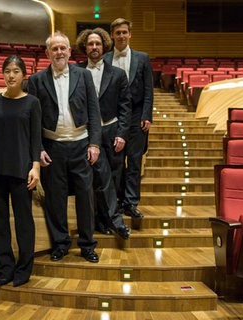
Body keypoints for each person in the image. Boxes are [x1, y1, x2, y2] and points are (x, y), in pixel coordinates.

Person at [27, 31, 102, 263]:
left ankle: (87, 245)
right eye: (54, 48)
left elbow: (94, 111)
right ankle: (60, 243)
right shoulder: (37, 80)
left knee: (85, 198)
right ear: (47, 53)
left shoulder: (84, 75)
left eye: (63, 48)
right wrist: (38, 149)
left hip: (81, 144)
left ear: (69, 51)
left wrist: (95, 143)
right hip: (52, 147)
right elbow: (33, 120)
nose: (59, 52)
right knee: (55, 198)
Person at [0, 55, 41, 287]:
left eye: (16, 71)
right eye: (7, 70)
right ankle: (5, 268)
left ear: (23, 75)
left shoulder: (32, 103)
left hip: (21, 170)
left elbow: (36, 139)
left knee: (23, 221)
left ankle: (24, 268)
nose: (11, 75)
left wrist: (35, 167)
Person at [75, 28, 132, 239]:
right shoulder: (77, 72)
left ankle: (105, 221)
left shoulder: (117, 74)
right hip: (90, 133)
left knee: (114, 179)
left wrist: (122, 134)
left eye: (98, 44)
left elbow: (126, 107)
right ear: (85, 47)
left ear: (104, 45)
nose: (94, 47)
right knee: (97, 179)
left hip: (112, 131)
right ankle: (107, 221)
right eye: (90, 44)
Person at [104, 18, 154, 221]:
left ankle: (131, 203)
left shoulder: (142, 58)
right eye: (118, 33)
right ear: (112, 35)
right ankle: (114, 201)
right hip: (113, 117)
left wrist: (146, 115)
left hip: (136, 116)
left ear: (130, 34)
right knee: (115, 162)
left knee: (134, 161)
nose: (122, 36)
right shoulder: (105, 59)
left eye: (125, 32)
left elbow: (149, 89)